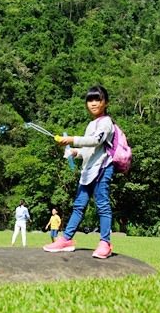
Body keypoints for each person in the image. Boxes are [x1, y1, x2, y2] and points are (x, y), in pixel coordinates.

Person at [43, 85, 116, 259]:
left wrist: (72, 139)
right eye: (90, 100)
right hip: (88, 171)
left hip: (103, 168)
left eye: (97, 99)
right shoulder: (91, 124)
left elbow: (95, 141)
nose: (93, 103)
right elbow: (87, 150)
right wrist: (75, 152)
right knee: (78, 206)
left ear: (105, 102)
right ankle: (67, 239)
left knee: (102, 205)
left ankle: (105, 243)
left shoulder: (106, 122)